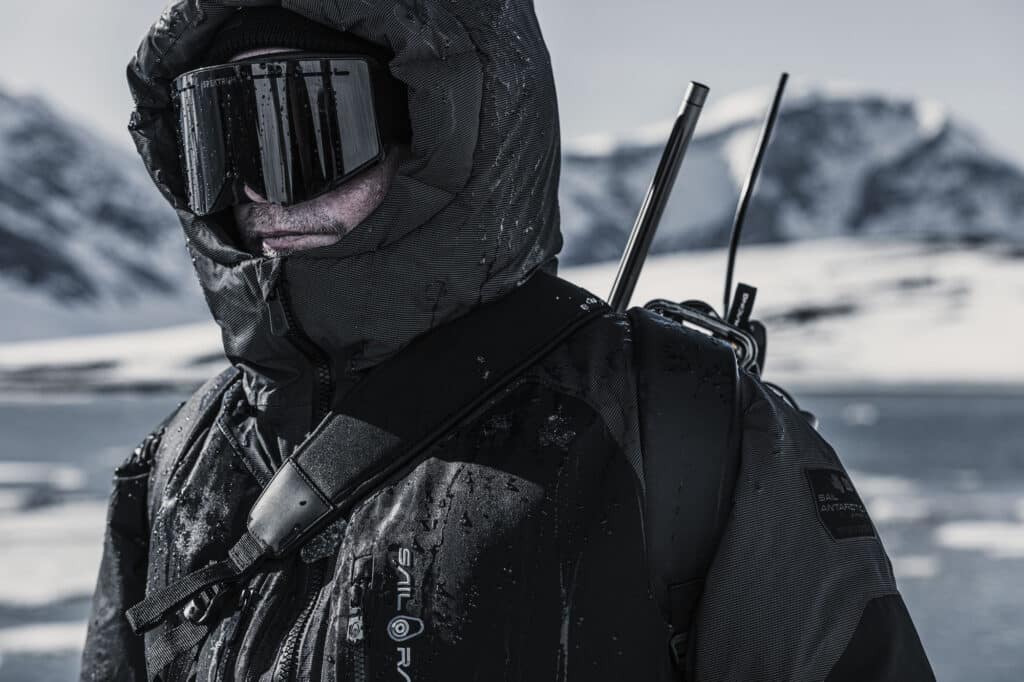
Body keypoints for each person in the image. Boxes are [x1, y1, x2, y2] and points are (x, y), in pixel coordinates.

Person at [81, 2, 935, 681]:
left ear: (445, 126)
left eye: (307, 130)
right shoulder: (178, 465)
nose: (261, 193)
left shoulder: (679, 425)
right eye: (215, 141)